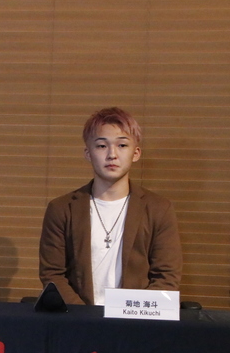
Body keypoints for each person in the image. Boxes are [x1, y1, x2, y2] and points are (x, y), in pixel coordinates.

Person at [39, 107, 182, 305]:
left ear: (136, 153)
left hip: (134, 318)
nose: (112, 154)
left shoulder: (159, 209)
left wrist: (126, 314)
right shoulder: (61, 209)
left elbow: (166, 277)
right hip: (79, 317)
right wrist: (84, 317)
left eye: (122, 145)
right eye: (101, 146)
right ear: (88, 153)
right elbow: (52, 274)